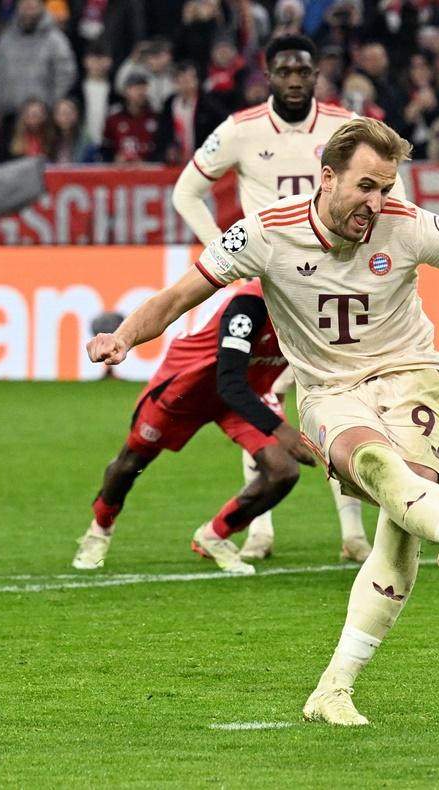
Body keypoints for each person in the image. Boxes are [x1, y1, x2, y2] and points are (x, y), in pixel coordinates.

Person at [87, 118, 439, 726]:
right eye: (365, 187)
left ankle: (333, 689)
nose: (376, 202)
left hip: (411, 379)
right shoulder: (263, 233)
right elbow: (177, 298)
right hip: (330, 392)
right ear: (326, 178)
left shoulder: (407, 225)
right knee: (378, 467)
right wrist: (123, 336)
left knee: (399, 531)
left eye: (386, 187)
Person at [171, 33, 390, 565]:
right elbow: (186, 191)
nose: (295, 80)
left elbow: (393, 195)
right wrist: (224, 250)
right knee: (260, 400)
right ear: (267, 75)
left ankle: (353, 534)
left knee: (342, 396)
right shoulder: (241, 130)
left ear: (318, 75)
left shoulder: (347, 127)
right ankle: (259, 530)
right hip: (266, 279)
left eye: (304, 71)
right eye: (285, 71)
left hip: (331, 284)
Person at [72, 280, 308, 574]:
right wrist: (280, 429)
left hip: (246, 392)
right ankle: (99, 530)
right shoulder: (250, 304)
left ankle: (214, 536)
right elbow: (228, 379)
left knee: (283, 471)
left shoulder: (320, 303)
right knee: (132, 461)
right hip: (187, 386)